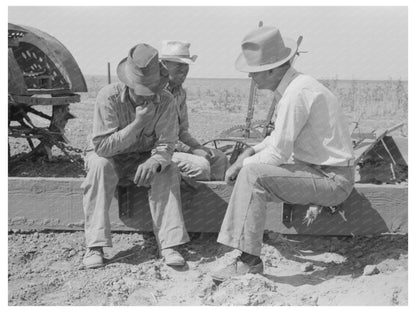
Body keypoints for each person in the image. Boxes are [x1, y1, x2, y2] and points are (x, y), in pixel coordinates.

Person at [211, 26, 355, 282]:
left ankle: (248, 262)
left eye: (254, 72)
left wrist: (240, 167)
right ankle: (245, 251)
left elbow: (277, 153)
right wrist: (251, 150)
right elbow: (276, 138)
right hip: (320, 172)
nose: (250, 78)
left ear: (273, 69)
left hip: (332, 180)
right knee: (251, 166)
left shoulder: (296, 94)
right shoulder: (297, 87)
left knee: (253, 174)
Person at [82, 43, 189, 269]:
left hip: (142, 158)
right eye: (141, 91)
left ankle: (170, 244)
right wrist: (137, 124)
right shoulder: (108, 97)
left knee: (168, 169)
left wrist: (154, 161)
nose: (147, 98)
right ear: (128, 84)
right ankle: (95, 245)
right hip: (109, 157)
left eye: (152, 91)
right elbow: (102, 147)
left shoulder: (166, 100)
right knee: (100, 165)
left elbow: (167, 144)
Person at [160, 40, 228, 181]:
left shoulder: (180, 93)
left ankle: (214, 200)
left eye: (186, 64)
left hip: (175, 147)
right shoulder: (157, 94)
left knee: (219, 158)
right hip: (159, 150)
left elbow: (182, 131)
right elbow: (162, 137)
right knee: (201, 165)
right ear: (164, 65)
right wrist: (191, 151)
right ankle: (193, 200)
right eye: (179, 64)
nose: (184, 69)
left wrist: (198, 147)